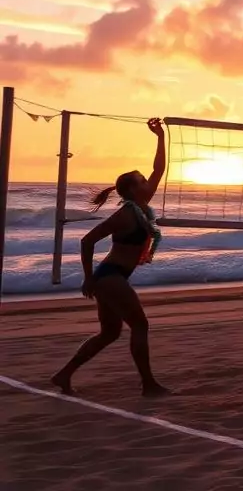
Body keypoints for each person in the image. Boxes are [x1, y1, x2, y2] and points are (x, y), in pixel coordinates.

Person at [51, 119, 171, 397]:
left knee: (110, 333)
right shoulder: (126, 214)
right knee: (140, 325)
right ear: (132, 189)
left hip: (113, 277)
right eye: (141, 180)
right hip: (110, 276)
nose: (146, 180)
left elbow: (159, 169)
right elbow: (87, 240)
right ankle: (148, 384)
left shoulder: (142, 205)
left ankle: (63, 374)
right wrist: (89, 278)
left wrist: (160, 136)